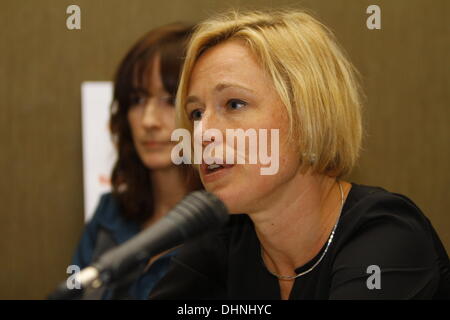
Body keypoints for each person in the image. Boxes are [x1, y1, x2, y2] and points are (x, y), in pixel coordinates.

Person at [149, 10, 450, 299]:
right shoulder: (221, 239)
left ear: (307, 117)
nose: (202, 133)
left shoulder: (388, 235)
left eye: (234, 104)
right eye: (196, 113)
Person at [72, 23, 201, 299]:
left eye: (170, 100)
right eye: (138, 99)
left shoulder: (234, 228)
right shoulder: (111, 213)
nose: (149, 121)